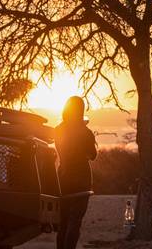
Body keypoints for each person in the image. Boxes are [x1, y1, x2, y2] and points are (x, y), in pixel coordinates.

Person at [54, 96, 97, 249]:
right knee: (74, 222)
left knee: (63, 222)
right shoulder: (86, 132)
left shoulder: (58, 129)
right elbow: (93, 155)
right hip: (81, 180)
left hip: (63, 178)